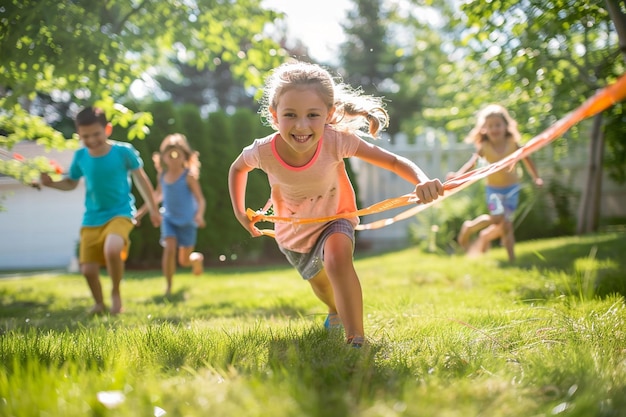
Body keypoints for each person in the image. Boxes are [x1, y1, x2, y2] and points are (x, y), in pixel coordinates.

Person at [228, 61, 444, 347]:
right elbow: (237, 169)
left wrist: (421, 180)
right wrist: (240, 213)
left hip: (335, 217)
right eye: (290, 115)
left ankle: (356, 339)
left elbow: (391, 160)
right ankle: (335, 311)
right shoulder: (264, 151)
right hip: (293, 230)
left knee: (337, 259)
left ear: (328, 114)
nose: (301, 125)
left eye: (313, 115)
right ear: (274, 116)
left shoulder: (336, 140)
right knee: (320, 284)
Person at [40, 106, 161, 315]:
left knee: (113, 249)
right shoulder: (80, 157)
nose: (92, 139)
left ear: (107, 129)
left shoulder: (123, 152)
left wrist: (153, 209)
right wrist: (51, 184)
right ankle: (98, 303)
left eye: (96, 134)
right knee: (88, 269)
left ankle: (115, 292)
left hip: (121, 213)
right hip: (92, 217)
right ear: (79, 135)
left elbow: (141, 180)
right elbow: (70, 183)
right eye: (85, 136)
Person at [446, 104, 543, 262]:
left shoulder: (512, 143)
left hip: (512, 189)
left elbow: (527, 159)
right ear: (484, 129)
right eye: (490, 126)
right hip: (493, 190)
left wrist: (536, 177)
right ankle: (469, 227)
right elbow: (472, 163)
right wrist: (458, 175)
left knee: (506, 224)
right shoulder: (484, 147)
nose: (494, 129)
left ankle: (510, 258)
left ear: (506, 126)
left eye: (498, 125)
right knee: (498, 218)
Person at [136, 133, 206, 296]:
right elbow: (155, 197)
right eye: (170, 155)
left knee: (184, 261)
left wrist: (199, 215)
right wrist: (139, 214)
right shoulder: (162, 176)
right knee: (169, 248)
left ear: (184, 157)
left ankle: (196, 259)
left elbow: (200, 199)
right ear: (163, 158)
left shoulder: (188, 176)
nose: (173, 159)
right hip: (168, 219)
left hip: (188, 221)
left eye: (177, 155)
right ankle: (168, 286)